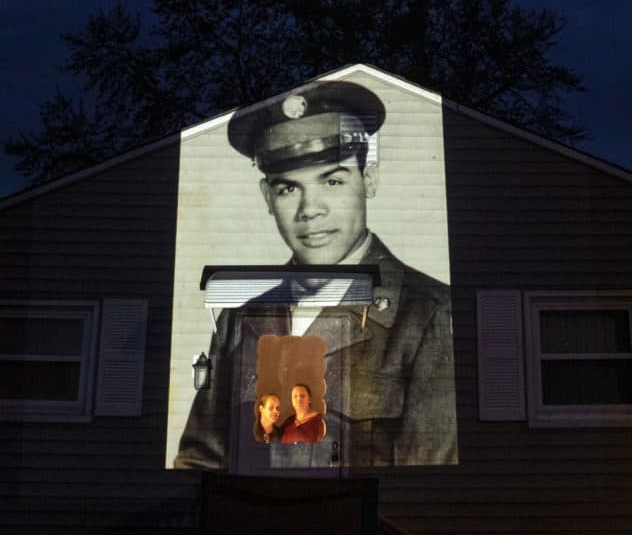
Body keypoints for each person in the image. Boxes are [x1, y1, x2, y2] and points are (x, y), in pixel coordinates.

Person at [175, 80, 457, 469]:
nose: (310, 209)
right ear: (267, 197)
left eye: (332, 181)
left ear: (368, 181)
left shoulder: (429, 316)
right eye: (289, 188)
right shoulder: (238, 322)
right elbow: (200, 461)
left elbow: (426, 482)